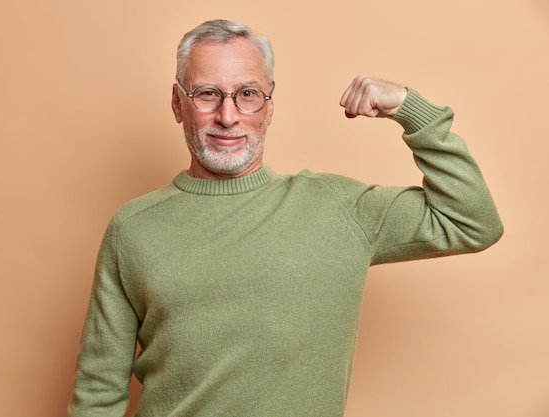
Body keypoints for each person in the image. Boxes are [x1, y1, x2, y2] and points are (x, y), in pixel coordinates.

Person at [68, 19, 503, 417]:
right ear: (178, 105)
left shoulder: (338, 208)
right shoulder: (134, 229)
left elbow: (472, 220)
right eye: (207, 94)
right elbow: (98, 392)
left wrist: (410, 110)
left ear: (270, 105)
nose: (228, 115)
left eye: (248, 94)